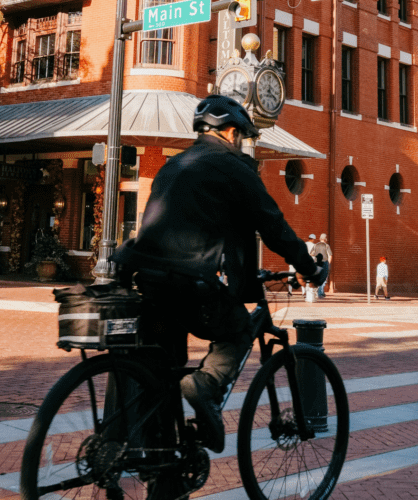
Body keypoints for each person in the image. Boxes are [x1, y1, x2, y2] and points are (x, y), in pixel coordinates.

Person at [113, 94, 327, 453]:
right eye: (241, 134)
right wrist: (310, 268)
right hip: (187, 280)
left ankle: (162, 465)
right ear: (229, 132)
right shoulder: (234, 167)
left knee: (164, 370)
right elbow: (273, 226)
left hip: (147, 280)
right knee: (239, 330)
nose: (241, 141)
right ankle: (205, 386)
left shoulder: (173, 164)